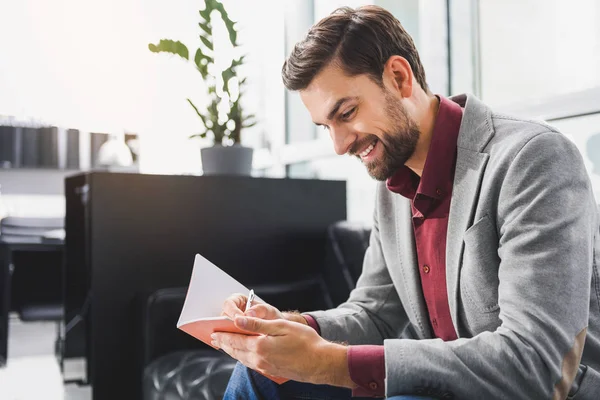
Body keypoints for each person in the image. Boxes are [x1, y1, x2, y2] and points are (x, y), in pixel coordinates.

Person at [211, 5, 600, 399]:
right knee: (258, 374)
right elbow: (375, 313)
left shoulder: (534, 160)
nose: (340, 144)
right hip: (442, 388)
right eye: (327, 126)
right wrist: (294, 328)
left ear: (399, 77)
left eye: (347, 112)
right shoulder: (392, 185)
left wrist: (329, 363)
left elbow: (534, 365)